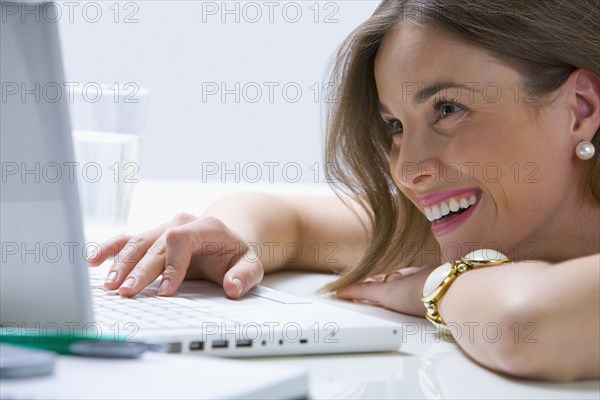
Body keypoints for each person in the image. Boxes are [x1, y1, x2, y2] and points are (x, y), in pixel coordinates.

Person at [89, 0, 599, 382]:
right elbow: (290, 218)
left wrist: (435, 286)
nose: (408, 169)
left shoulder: (481, 235)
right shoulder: (502, 221)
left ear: (579, 109)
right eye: (396, 125)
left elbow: (526, 326)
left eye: (447, 109)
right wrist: (231, 240)